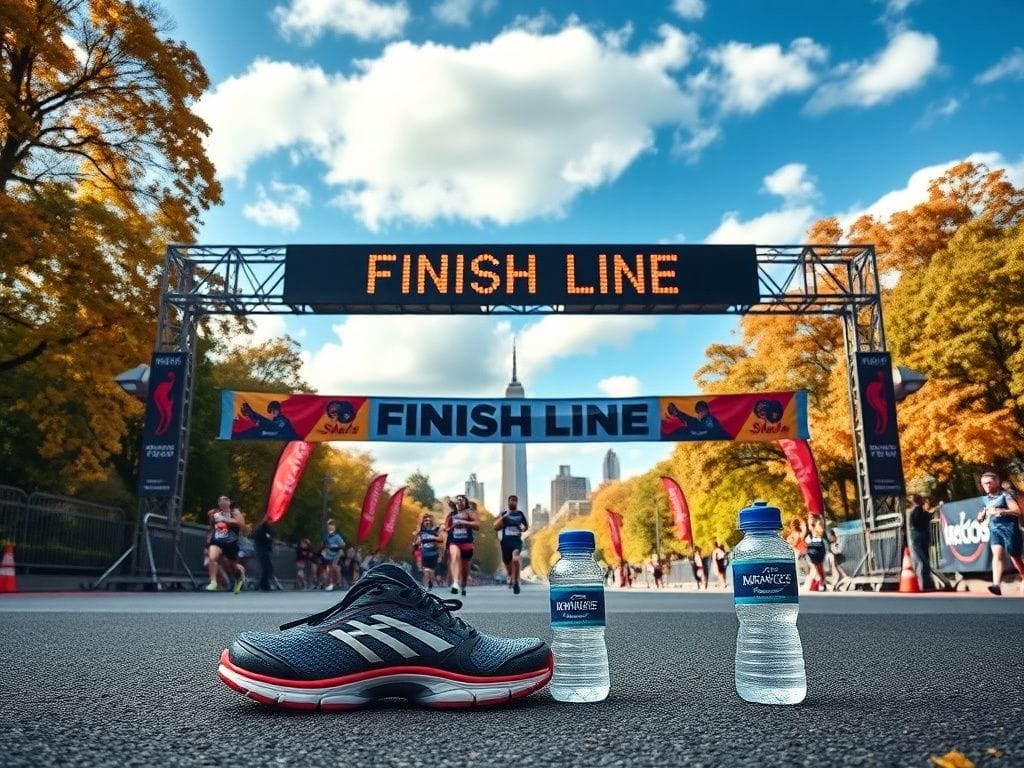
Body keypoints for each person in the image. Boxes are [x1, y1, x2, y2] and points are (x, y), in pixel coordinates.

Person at [976, 471, 1024, 596]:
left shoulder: (1005, 496)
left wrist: (1001, 511)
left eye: (989, 483)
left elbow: (1017, 511)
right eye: (984, 484)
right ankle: (996, 585)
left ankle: (1023, 574)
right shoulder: (985, 499)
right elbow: (982, 515)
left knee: (1015, 557)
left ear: (996, 482)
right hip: (995, 529)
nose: (986, 486)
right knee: (997, 555)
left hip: (1010, 530)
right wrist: (980, 517)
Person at [205, 495, 246, 593]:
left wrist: (226, 520)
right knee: (212, 558)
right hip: (217, 540)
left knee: (233, 566)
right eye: (220, 500)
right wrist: (209, 540)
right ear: (218, 503)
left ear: (230, 502)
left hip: (231, 542)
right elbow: (211, 527)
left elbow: (241, 524)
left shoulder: (235, 512)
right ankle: (213, 582)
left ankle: (239, 576)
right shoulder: (214, 514)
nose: (223, 501)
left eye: (225, 499)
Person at [494, 494, 529, 594]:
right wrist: (502, 518)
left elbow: (526, 527)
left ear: (516, 503)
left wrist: (522, 528)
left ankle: (516, 582)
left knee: (516, 558)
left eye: (514, 500)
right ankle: (510, 576)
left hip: (516, 542)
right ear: (508, 502)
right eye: (511, 500)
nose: (512, 502)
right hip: (505, 542)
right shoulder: (504, 514)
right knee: (507, 562)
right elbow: (495, 527)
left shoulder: (520, 514)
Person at [445, 495, 479, 596]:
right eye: (458, 500)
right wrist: (452, 527)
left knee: (464, 569)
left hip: (467, 543)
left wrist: (464, 522)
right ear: (455, 503)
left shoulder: (470, 513)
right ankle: (455, 583)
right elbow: (446, 528)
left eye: (462, 500)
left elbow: (477, 525)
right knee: (455, 556)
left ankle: (463, 585)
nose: (459, 502)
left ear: (465, 503)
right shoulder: (451, 515)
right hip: (454, 542)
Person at [907, 494, 934, 592]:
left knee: (923, 561)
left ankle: (925, 583)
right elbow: (924, 519)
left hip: (919, 539)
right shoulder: (917, 512)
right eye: (922, 500)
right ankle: (924, 584)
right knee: (922, 561)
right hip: (919, 539)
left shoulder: (916, 512)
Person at [414, 513, 443, 590]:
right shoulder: (420, 531)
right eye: (426, 520)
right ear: (423, 522)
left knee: (431, 572)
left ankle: (430, 584)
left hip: (433, 554)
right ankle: (425, 587)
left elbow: (441, 539)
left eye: (429, 520)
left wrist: (430, 539)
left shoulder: (435, 531)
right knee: (426, 571)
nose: (428, 522)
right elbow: (416, 542)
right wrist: (418, 542)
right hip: (424, 553)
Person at [251, 514, 275, 591]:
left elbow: (271, 536)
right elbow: (257, 537)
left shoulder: (269, 529)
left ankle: (262, 584)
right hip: (261, 550)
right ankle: (262, 584)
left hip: (266, 550)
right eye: (269, 520)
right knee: (266, 568)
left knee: (268, 568)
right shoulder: (261, 528)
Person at [803, 517, 828, 592]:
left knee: (813, 565)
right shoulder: (819, 529)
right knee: (819, 567)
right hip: (819, 550)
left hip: (814, 550)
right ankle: (821, 583)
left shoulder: (812, 531)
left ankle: (818, 578)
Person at [322, 520, 345, 591]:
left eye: (332, 528)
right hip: (328, 555)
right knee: (329, 570)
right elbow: (324, 545)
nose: (330, 529)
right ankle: (331, 584)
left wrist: (336, 547)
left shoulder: (337, 537)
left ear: (334, 529)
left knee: (335, 568)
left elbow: (343, 545)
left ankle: (338, 583)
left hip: (336, 555)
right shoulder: (326, 537)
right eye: (329, 528)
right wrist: (326, 548)